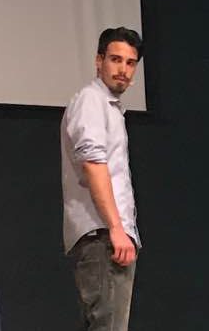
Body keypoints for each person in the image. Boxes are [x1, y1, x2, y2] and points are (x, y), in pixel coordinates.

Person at [61, 27, 144, 331]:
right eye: (115, 59)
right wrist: (116, 228)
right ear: (99, 61)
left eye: (130, 63)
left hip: (107, 235)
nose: (123, 70)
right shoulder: (91, 101)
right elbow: (93, 164)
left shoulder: (109, 108)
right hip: (102, 236)